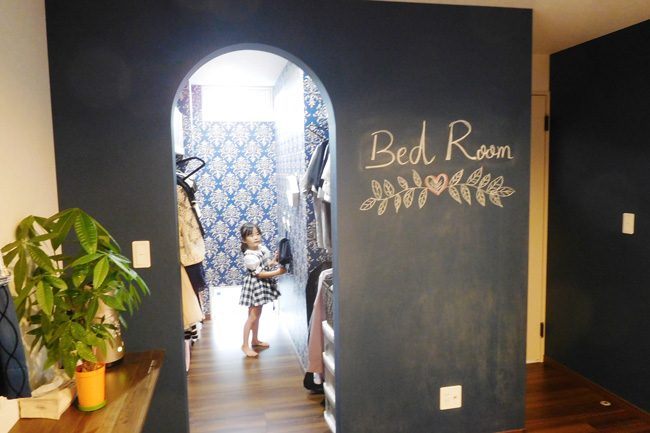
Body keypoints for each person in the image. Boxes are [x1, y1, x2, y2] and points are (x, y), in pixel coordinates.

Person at [239, 222, 286, 357]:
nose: (256, 237)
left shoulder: (261, 249)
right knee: (252, 316)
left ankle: (254, 340)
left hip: (260, 285)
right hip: (255, 286)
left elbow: (265, 265)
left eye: (257, 234)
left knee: (257, 314)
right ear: (244, 240)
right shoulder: (249, 256)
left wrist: (274, 260)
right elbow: (259, 274)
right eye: (251, 235)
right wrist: (278, 272)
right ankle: (245, 345)